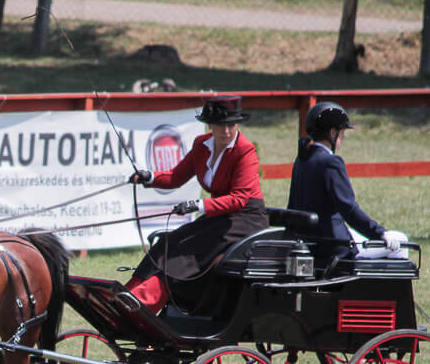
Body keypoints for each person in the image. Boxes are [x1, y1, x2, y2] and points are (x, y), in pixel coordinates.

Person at [122, 95, 268, 314]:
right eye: (220, 125)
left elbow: (239, 198)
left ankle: (145, 303)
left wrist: (198, 205)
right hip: (219, 216)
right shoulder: (202, 145)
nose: (226, 131)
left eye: (231, 125)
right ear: (210, 125)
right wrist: (150, 176)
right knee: (168, 241)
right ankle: (129, 294)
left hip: (245, 219)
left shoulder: (244, 151)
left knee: (189, 251)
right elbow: (175, 177)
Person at [287, 101, 407, 265]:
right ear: (332, 133)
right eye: (342, 133)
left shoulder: (301, 160)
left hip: (308, 239)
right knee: (401, 241)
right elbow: (349, 209)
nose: (342, 138)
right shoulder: (331, 162)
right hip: (332, 246)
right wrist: (380, 233)